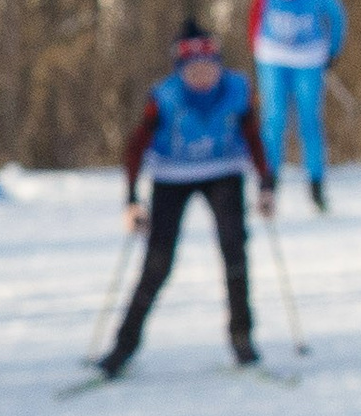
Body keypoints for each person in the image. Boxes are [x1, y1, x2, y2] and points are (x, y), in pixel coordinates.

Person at [97, 20, 272, 377]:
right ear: (180, 70)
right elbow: (135, 147)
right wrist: (131, 199)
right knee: (157, 264)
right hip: (171, 177)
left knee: (234, 251)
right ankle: (122, 347)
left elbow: (254, 137)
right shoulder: (164, 96)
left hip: (223, 171)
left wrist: (266, 184)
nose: (202, 76)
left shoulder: (237, 89)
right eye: (193, 70)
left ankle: (242, 340)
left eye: (209, 68)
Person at [248, 0, 345, 211]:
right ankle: (268, 183)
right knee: (273, 120)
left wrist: (332, 51)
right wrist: (257, 48)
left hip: (309, 60)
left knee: (309, 122)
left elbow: (337, 18)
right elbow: (255, 18)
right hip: (273, 58)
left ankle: (316, 185)